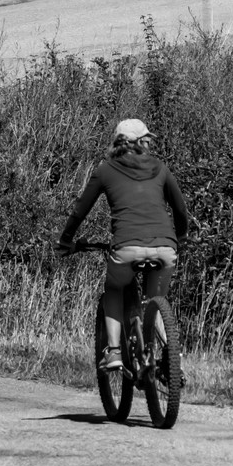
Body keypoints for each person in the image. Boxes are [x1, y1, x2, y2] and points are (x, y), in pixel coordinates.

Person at [57, 118, 189, 372]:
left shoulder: (106, 169)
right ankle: (170, 360)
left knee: (114, 289)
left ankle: (115, 351)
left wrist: (66, 241)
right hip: (166, 247)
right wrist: (180, 238)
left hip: (126, 247)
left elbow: (79, 211)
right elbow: (180, 209)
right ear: (140, 143)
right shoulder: (160, 168)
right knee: (156, 299)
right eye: (147, 140)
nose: (150, 144)